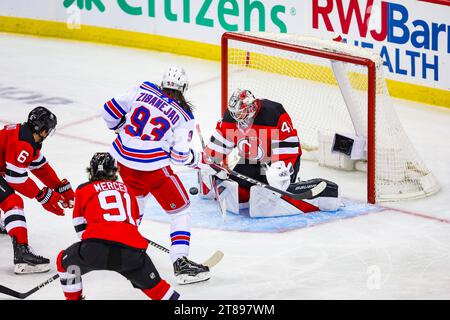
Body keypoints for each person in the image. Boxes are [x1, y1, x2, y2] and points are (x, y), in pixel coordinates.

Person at [101, 66, 209, 284]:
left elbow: (109, 109)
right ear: (184, 88)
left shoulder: (144, 88)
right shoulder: (184, 115)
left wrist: (120, 126)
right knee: (181, 210)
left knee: (136, 204)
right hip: (152, 168)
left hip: (123, 162)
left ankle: (120, 250)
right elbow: (179, 157)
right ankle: (180, 262)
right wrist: (195, 159)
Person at [56, 152, 180, 300]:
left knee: (63, 263)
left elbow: (80, 228)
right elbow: (135, 223)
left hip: (95, 249)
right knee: (158, 289)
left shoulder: (83, 189)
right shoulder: (128, 190)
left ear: (91, 171)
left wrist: (93, 245)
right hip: (131, 251)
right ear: (114, 171)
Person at [201, 88, 340, 218]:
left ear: (251, 107)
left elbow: (288, 149)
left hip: (279, 163)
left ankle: (306, 188)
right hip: (250, 161)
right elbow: (216, 148)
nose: (237, 116)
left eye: (240, 112)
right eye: (235, 112)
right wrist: (210, 163)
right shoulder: (231, 118)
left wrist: (280, 173)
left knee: (268, 199)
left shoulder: (274, 113)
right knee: (235, 193)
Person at [0, 106, 74, 274]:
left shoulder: (26, 136)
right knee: (12, 202)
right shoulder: (23, 143)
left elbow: (41, 168)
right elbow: (16, 179)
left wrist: (59, 186)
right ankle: (22, 254)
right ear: (43, 130)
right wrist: (43, 196)